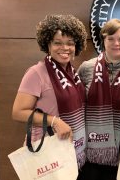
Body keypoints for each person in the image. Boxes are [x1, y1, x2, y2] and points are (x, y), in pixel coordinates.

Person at [12, 14, 88, 174]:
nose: (65, 48)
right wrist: (55, 121)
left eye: (70, 43)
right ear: (48, 44)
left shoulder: (73, 73)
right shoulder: (36, 73)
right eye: (57, 43)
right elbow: (18, 113)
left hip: (71, 147)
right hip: (47, 148)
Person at [77, 18, 120, 180]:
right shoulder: (86, 68)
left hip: (119, 151)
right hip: (88, 150)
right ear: (103, 41)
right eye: (110, 38)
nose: (116, 43)